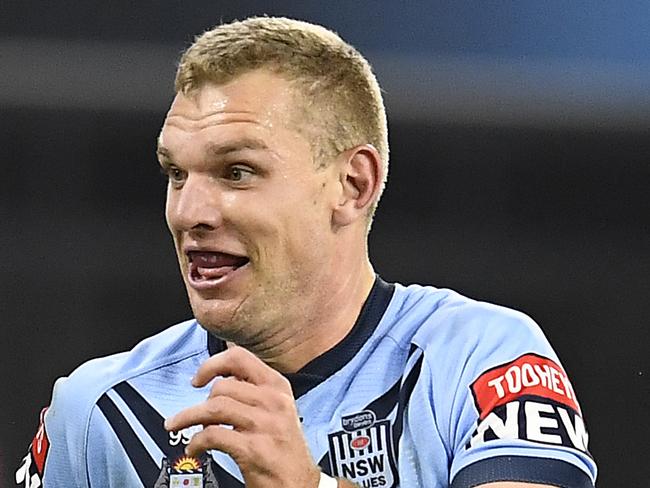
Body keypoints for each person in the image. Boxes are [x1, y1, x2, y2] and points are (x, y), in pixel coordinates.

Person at [16, 16, 597, 488]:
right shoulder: (98, 413)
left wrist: (305, 486)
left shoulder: (479, 361)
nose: (189, 212)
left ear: (352, 186)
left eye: (237, 171)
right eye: (175, 173)